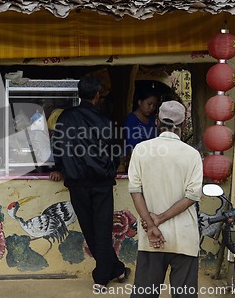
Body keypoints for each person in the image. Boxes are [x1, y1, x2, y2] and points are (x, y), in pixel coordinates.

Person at [50, 75, 130, 290]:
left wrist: (59, 168)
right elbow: (114, 152)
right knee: (102, 231)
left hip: (77, 182)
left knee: (91, 230)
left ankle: (115, 270)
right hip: (101, 182)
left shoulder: (65, 118)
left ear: (79, 94)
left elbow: (58, 146)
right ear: (97, 95)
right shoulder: (105, 120)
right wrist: (112, 168)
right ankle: (104, 277)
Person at [127, 100, 202, 298]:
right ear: (184, 125)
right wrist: (159, 218)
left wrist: (152, 225)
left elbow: (135, 191)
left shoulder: (141, 150)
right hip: (184, 237)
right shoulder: (192, 155)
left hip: (151, 238)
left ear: (157, 123)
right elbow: (192, 196)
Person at [123, 90, 159, 158]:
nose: (151, 108)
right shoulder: (131, 120)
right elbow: (133, 144)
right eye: (149, 104)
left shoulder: (152, 119)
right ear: (140, 102)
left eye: (154, 105)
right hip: (135, 158)